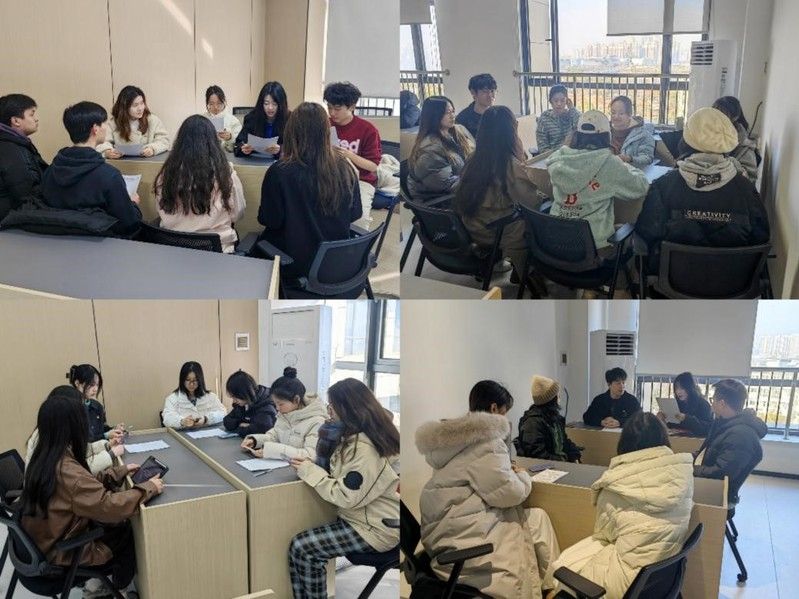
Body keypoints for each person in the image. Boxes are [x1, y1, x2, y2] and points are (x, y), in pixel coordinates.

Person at [416, 380, 560, 598]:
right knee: (526, 530)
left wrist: (506, 470)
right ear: (494, 408)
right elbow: (510, 494)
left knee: (538, 518)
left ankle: (550, 589)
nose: (506, 418)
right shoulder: (486, 441)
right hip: (465, 537)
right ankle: (551, 588)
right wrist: (522, 475)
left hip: (447, 528)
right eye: (505, 411)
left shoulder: (455, 440)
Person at [20, 386, 163, 598]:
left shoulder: (44, 455)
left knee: (110, 524)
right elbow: (109, 507)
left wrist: (117, 473)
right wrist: (149, 488)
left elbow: (81, 490)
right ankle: (112, 589)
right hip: (61, 554)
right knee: (124, 530)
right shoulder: (66, 468)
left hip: (41, 545)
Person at [544, 412, 693, 599]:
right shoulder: (682, 476)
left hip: (625, 585)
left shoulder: (617, 485)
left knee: (559, 574)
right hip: (660, 577)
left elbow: (604, 533)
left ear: (625, 442)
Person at [288, 379, 399, 599]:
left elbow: (345, 496)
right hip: (362, 517)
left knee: (303, 548)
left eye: (332, 406)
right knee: (299, 546)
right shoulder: (355, 436)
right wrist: (314, 465)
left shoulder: (365, 448)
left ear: (348, 409)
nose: (329, 412)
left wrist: (310, 471)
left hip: (374, 527)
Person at [635, 107, 770, 276]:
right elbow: (761, 238)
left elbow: (646, 232)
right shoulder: (746, 190)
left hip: (672, 282)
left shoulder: (664, 186)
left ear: (686, 141)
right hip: (732, 283)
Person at [257, 102, 361, 279]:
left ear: (291, 132)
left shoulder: (279, 172)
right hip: (336, 266)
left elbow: (270, 220)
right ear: (326, 133)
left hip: (293, 267)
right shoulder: (344, 168)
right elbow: (354, 214)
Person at [453, 105, 546, 279]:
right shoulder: (508, 164)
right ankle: (528, 272)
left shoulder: (474, 157)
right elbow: (532, 202)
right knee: (545, 215)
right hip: (496, 231)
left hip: (472, 227)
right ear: (510, 132)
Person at [548, 110, 650, 253]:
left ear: (577, 135)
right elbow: (641, 186)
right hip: (593, 248)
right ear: (607, 136)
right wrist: (624, 165)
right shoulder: (608, 163)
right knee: (630, 235)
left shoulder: (559, 158)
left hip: (555, 241)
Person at [41, 101, 142, 236]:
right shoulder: (109, 176)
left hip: (55, 240)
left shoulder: (51, 170)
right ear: (95, 129)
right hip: (102, 242)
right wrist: (133, 204)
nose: (106, 127)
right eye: (104, 123)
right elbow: (129, 223)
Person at [154, 115, 246, 252]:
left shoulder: (166, 174)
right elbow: (237, 214)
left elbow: (160, 208)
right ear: (213, 142)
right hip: (215, 252)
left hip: (173, 249)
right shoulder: (225, 175)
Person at [25, 365, 126, 475]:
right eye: (91, 384)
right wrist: (110, 453)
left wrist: (107, 444)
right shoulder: (54, 436)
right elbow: (76, 470)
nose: (95, 389)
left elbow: (78, 451)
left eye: (97, 385)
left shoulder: (94, 406)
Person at [694, 378, 767, 504]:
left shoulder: (741, 435)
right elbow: (709, 451)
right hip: (707, 482)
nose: (711, 405)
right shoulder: (723, 423)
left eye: (713, 400)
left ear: (722, 404)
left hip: (717, 494)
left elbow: (721, 473)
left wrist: (692, 469)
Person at [240, 367, 327, 459]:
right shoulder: (285, 414)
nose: (277, 408)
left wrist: (271, 451)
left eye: (281, 404)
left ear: (296, 400)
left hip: (297, 467)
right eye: (275, 404)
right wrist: (255, 441)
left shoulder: (317, 422)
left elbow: (310, 455)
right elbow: (274, 435)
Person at [324, 81, 382, 218]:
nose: (332, 113)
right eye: (329, 107)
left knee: (359, 218)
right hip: (328, 177)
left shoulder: (368, 129)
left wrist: (349, 155)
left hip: (360, 181)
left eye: (337, 109)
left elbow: (373, 166)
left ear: (352, 107)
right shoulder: (325, 124)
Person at [407, 95, 474, 201]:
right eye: (447, 112)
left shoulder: (459, 130)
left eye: (453, 111)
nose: (452, 116)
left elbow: (476, 155)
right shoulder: (430, 149)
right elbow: (447, 184)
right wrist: (478, 180)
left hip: (460, 189)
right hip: (439, 200)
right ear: (435, 116)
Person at [0, 93, 48, 220]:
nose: (36, 119)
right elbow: (25, 194)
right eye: (31, 114)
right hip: (9, 220)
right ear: (16, 121)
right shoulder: (9, 148)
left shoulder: (17, 143)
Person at [515, 375, 581, 462]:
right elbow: (537, 455)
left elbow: (564, 442)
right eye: (557, 394)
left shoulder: (555, 418)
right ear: (552, 399)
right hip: (547, 467)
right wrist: (564, 460)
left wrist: (574, 454)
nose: (559, 397)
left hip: (560, 463)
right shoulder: (532, 423)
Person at [96, 85, 170, 158]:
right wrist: (107, 151)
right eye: (135, 105)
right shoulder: (113, 123)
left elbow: (164, 141)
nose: (140, 108)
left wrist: (152, 149)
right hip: (120, 163)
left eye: (142, 103)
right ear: (124, 107)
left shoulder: (152, 120)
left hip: (147, 163)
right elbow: (101, 142)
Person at [161, 361, 226, 429]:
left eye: (195, 380)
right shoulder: (172, 399)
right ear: (182, 380)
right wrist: (182, 421)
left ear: (200, 380)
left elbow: (223, 413)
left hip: (207, 432)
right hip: (183, 433)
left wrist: (206, 419)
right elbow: (167, 418)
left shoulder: (211, 396)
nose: (191, 384)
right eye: (188, 380)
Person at [234, 81, 289, 158]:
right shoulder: (251, 118)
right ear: (261, 103)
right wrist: (243, 148)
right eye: (266, 103)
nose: (270, 108)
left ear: (281, 104)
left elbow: (295, 147)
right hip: (255, 161)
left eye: (274, 104)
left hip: (279, 163)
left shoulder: (289, 119)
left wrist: (280, 150)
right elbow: (238, 143)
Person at [712, 96, 760, 184]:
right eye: (714, 115)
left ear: (735, 117)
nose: (717, 119)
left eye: (723, 115)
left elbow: (748, 179)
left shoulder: (745, 147)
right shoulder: (707, 136)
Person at [221, 370, 278, 437]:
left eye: (235, 397)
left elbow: (263, 430)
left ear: (244, 393)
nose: (234, 401)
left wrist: (242, 428)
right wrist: (241, 423)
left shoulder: (265, 405)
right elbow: (227, 421)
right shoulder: (242, 404)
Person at [656, 371, 713, 436]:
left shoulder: (703, 404)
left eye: (682, 388)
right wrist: (662, 420)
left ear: (690, 388)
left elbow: (707, 428)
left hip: (695, 440)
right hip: (676, 439)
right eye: (676, 388)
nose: (678, 391)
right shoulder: (676, 404)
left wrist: (686, 419)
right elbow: (671, 426)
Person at [608, 96, 656, 168]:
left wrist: (630, 159)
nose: (616, 117)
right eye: (613, 113)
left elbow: (647, 158)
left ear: (629, 114)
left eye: (621, 113)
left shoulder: (643, 134)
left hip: (632, 172)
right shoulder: (604, 130)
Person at [536, 84, 581, 153]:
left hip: (571, 154)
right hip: (553, 155)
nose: (559, 104)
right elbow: (543, 148)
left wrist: (572, 108)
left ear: (566, 101)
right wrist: (557, 155)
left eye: (562, 100)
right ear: (551, 101)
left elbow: (581, 124)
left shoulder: (571, 115)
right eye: (556, 101)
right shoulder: (544, 119)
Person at [455, 73, 497, 138]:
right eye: (485, 91)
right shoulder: (463, 119)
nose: (490, 95)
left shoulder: (499, 114)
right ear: (473, 92)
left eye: (492, 91)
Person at [204, 84, 242, 153]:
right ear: (207, 104)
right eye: (211, 104)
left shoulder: (233, 120)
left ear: (224, 102)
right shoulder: (202, 119)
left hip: (226, 156)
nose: (215, 107)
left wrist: (230, 137)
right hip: (205, 156)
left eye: (219, 103)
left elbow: (240, 145)